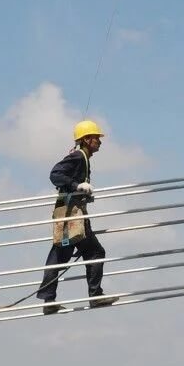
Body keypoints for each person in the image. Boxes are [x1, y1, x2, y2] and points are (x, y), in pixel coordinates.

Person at [36, 120, 116, 314]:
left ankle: (49, 300)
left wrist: (81, 190)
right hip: (72, 217)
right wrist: (77, 186)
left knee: (60, 256)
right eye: (96, 138)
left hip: (72, 215)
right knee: (94, 252)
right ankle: (95, 296)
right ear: (87, 140)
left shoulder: (83, 158)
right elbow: (55, 174)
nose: (99, 142)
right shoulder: (78, 157)